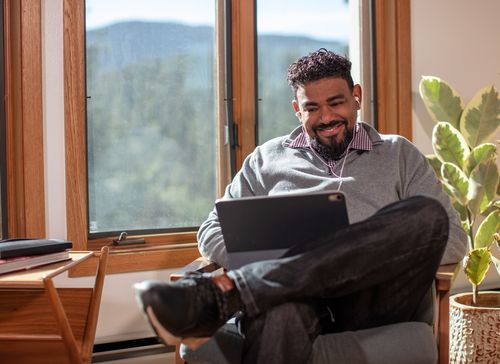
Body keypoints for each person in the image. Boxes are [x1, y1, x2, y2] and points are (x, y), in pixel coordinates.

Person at [134, 49, 466, 363]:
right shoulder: (266, 159)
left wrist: (356, 252)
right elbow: (212, 228)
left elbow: (451, 240)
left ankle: (230, 292)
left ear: (357, 97)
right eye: (312, 108)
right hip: (291, 299)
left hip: (372, 301)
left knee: (427, 215)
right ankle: (259, 285)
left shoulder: (399, 154)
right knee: (278, 312)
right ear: (297, 110)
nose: (326, 117)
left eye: (336, 102)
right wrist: (284, 267)